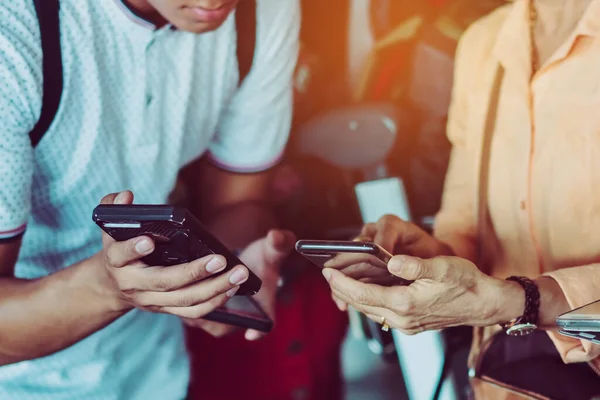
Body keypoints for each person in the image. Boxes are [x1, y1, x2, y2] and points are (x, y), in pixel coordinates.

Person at [0, 0, 300, 398]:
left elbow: (235, 203)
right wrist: (108, 288)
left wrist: (234, 265)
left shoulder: (263, 11)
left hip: (156, 371)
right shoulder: (14, 34)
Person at [321, 0, 600, 397]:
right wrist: (423, 261)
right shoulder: (483, 43)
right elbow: (465, 225)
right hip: (506, 382)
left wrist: (524, 300)